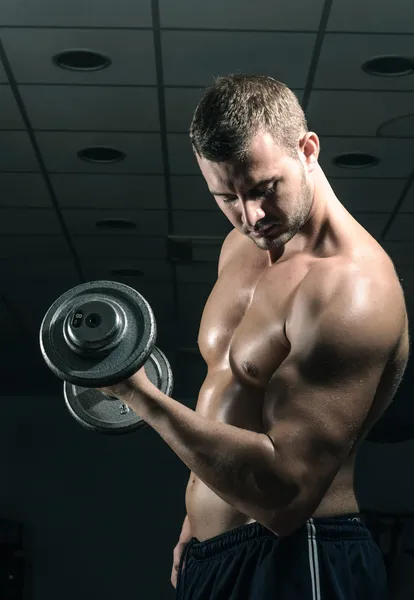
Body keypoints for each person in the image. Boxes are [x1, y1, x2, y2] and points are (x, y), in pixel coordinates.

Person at [101, 74, 409, 599]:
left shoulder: (351, 287)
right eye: (227, 197)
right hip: (209, 559)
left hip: (300, 556)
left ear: (307, 150)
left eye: (265, 190)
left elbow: (287, 497)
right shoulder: (239, 247)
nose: (252, 217)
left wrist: (139, 397)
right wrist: (195, 525)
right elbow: (232, 400)